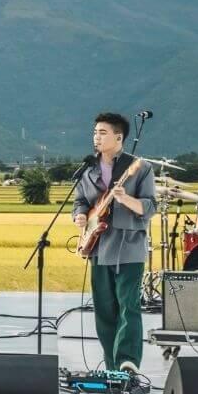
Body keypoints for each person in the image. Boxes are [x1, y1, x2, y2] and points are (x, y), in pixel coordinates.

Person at [72, 112, 156, 372]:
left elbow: (149, 206)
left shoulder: (139, 167)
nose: (96, 137)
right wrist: (80, 215)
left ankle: (128, 361)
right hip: (98, 247)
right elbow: (81, 201)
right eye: (95, 132)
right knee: (104, 310)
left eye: (103, 132)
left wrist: (124, 199)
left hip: (129, 246)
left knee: (128, 306)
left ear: (119, 137)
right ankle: (112, 366)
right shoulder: (88, 169)